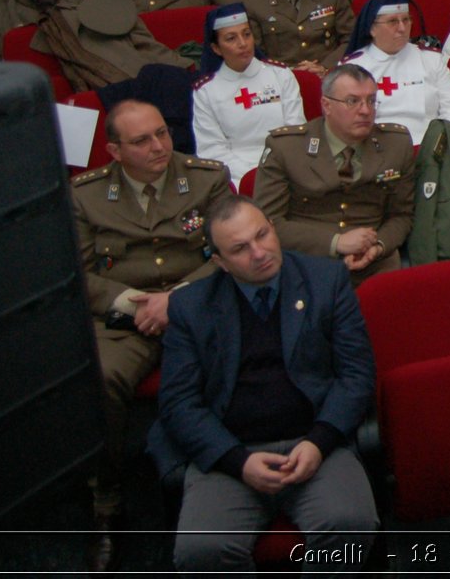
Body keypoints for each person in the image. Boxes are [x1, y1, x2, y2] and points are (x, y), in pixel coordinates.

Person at [149, 197, 377, 573]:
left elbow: (356, 375)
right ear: (219, 262)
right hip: (231, 451)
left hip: (314, 442)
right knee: (202, 552)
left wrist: (319, 443)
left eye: (262, 235)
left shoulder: (325, 280)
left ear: (273, 227)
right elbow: (178, 403)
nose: (259, 253)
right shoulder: (191, 306)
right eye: (240, 248)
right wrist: (238, 461)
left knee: (348, 525)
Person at [67, 100, 231, 570]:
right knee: (100, 379)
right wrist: (130, 303)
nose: (159, 146)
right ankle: (107, 500)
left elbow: (229, 249)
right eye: (142, 140)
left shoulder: (206, 177)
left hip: (199, 305)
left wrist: (175, 299)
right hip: (126, 317)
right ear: (114, 150)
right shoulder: (84, 195)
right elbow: (73, 274)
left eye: (162, 133)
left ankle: (227, 479)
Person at [254, 63, 414, 284]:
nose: (366, 110)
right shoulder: (287, 148)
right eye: (353, 101)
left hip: (375, 262)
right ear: (326, 105)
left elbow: (402, 215)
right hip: (307, 263)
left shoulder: (395, 143)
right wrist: (335, 242)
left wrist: (378, 246)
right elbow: (267, 224)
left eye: (371, 100)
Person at [191, 4, 305, 180]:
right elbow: (212, 149)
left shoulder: (280, 74)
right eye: (231, 38)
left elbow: (295, 130)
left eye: (246, 34)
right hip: (235, 176)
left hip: (286, 167)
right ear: (216, 48)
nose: (242, 44)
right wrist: (252, 176)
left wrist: (275, 169)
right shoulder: (206, 91)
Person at [340, 0, 450, 138]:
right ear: (372, 28)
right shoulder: (353, 67)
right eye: (393, 22)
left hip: (431, 147)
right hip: (376, 150)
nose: (402, 28)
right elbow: (347, 121)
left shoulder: (432, 59)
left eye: (406, 20)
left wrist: (441, 142)